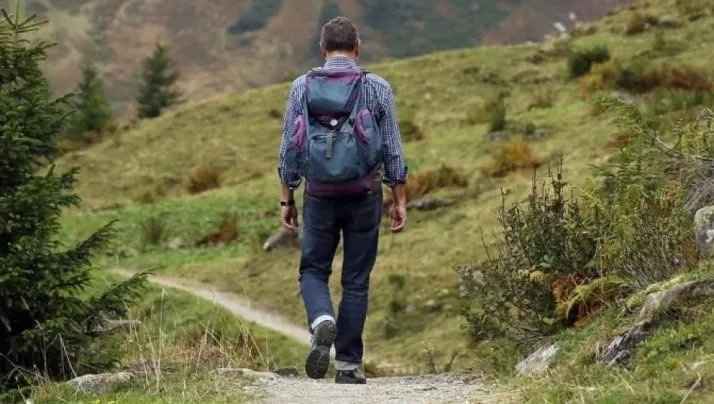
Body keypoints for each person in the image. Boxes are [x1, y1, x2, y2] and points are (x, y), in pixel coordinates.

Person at [277, 16, 408, 384]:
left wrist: (287, 198)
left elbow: (289, 148)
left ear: (322, 50)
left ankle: (322, 319)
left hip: (319, 194)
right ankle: (348, 365)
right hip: (364, 193)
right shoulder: (377, 87)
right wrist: (399, 198)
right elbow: (393, 148)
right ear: (357, 48)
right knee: (356, 279)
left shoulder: (301, 87)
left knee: (313, 270)